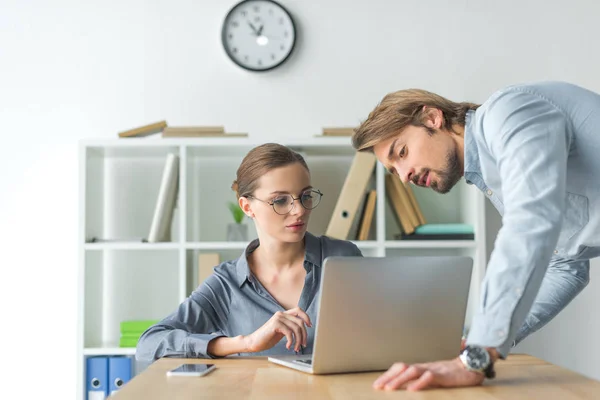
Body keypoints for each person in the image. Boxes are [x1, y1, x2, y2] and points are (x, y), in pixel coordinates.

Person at [352, 81, 598, 391]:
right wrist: (468, 344)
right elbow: (566, 266)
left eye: (401, 152)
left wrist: (478, 356)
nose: (404, 177)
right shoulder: (493, 175)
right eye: (393, 171)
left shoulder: (508, 113)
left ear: (432, 118)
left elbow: (532, 221)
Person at [136, 143, 362, 362]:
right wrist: (246, 343)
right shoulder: (227, 284)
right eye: (280, 200)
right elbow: (149, 344)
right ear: (247, 207)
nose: (299, 210)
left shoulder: (344, 258)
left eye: (305, 196)